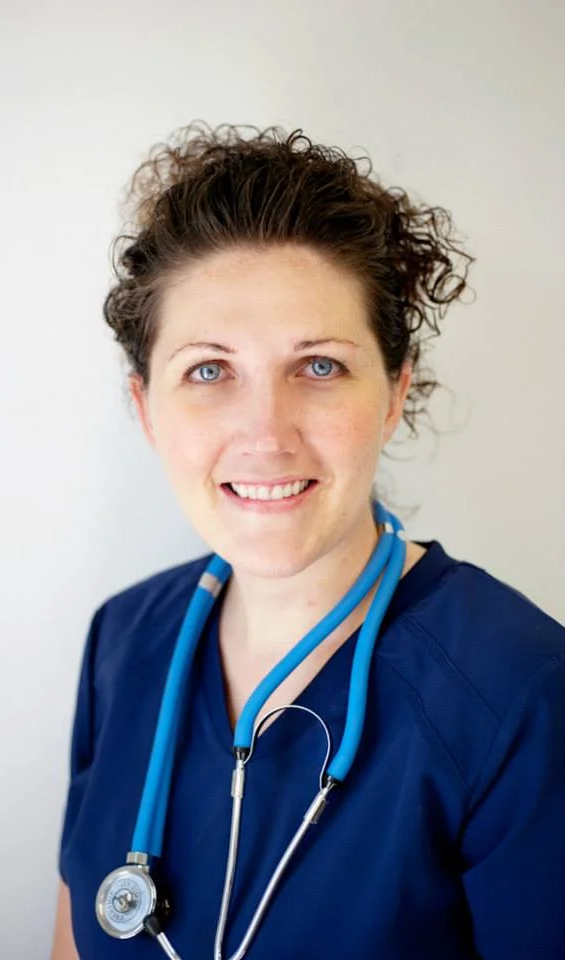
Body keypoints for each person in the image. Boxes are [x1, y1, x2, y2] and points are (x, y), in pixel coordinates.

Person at [50, 122, 565, 960]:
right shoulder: (122, 641)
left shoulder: (521, 694)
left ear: (393, 393)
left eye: (319, 366)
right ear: (145, 409)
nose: (266, 435)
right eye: (209, 370)